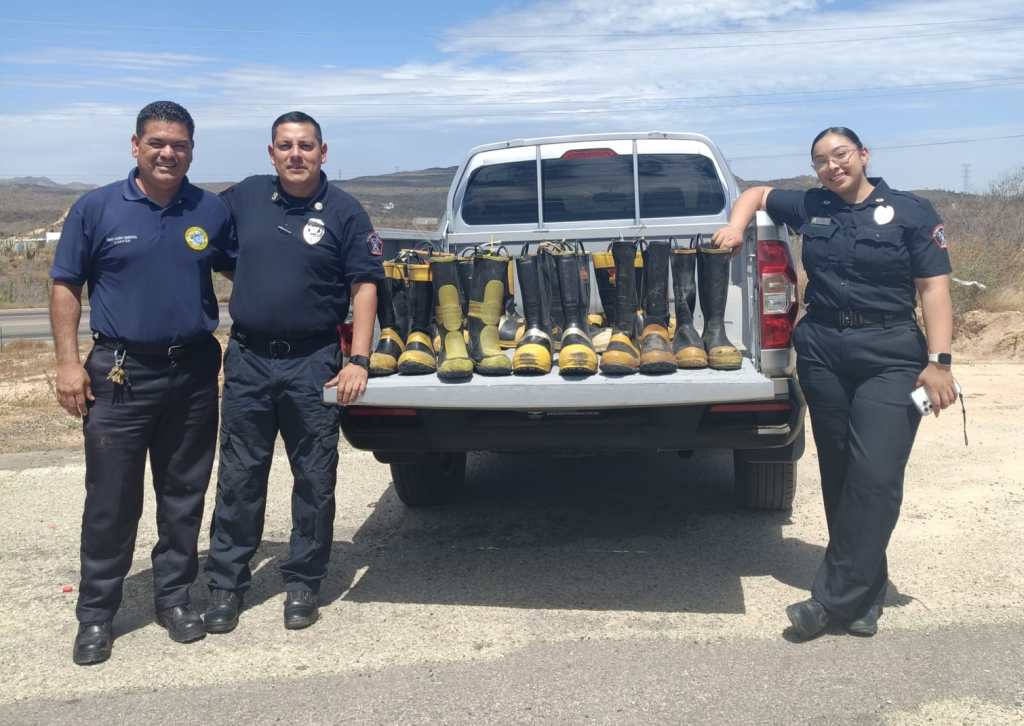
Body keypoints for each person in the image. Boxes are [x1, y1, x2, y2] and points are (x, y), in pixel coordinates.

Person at [712, 126, 957, 639]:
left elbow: (933, 287)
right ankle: (866, 595)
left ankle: (830, 603)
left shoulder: (911, 212)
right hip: (823, 349)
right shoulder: (811, 206)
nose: (832, 166)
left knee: (876, 475)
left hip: (890, 353)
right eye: (821, 160)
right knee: (842, 473)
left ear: (864, 155)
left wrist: (939, 361)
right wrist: (736, 227)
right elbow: (756, 193)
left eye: (841, 155)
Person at [49, 101, 232, 665]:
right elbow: (64, 287)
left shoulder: (210, 210)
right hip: (120, 373)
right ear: (135, 146)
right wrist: (67, 363)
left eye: (178, 144)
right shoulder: (97, 208)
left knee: (183, 495)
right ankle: (97, 615)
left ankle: (174, 599)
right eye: (157, 142)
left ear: (192, 149)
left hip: (194, 370)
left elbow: (247, 269)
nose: (167, 152)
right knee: (110, 500)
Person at [203, 111, 381, 633]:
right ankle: (226, 585)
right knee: (238, 477)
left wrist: (358, 360)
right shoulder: (244, 199)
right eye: (286, 145)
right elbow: (207, 245)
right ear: (271, 152)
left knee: (314, 478)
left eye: (306, 145)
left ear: (323, 153)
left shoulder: (345, 211)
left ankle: (303, 582)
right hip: (250, 359)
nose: (295, 154)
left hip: (314, 361)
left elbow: (364, 285)